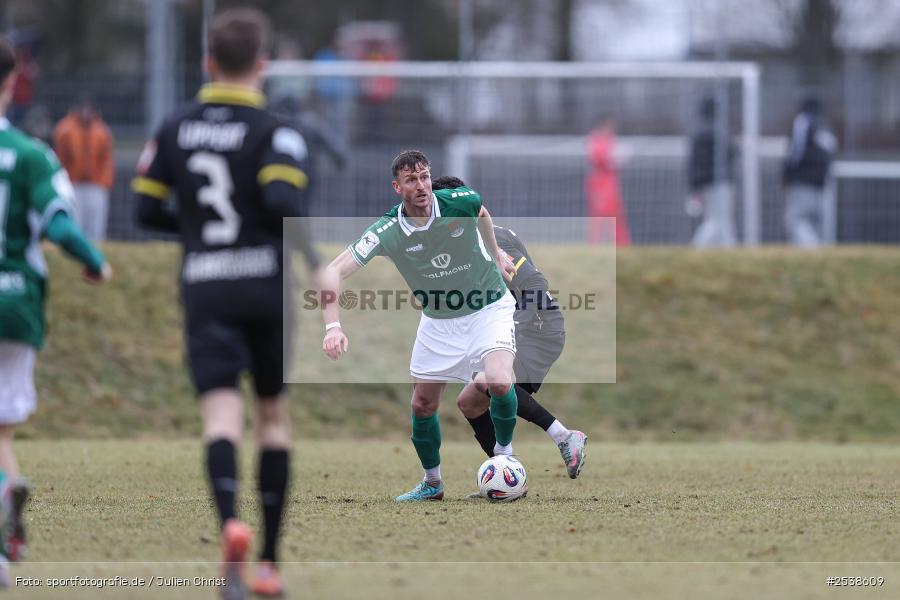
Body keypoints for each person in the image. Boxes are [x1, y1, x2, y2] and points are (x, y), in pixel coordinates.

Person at [132, 9, 329, 598]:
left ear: (207, 64)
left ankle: (230, 534)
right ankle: (267, 564)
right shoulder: (276, 129)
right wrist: (314, 260)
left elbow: (145, 209)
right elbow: (278, 200)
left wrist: (194, 230)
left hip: (207, 285)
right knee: (272, 419)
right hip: (264, 285)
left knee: (221, 417)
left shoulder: (174, 126)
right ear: (262, 66)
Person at [321, 150, 519, 502]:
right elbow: (332, 271)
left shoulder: (458, 201)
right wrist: (332, 327)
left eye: (425, 176)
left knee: (501, 380)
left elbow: (482, 211)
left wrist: (497, 254)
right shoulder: (387, 229)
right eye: (411, 180)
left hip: (488, 305)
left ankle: (505, 460)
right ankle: (432, 484)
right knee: (422, 405)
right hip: (438, 319)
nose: (422, 185)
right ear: (397, 187)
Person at [0, 37, 111, 580]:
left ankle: (3, 499)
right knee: (0, 432)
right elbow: (59, 224)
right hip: (18, 302)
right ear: (10, 83)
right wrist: (93, 259)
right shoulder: (31, 154)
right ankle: (4, 533)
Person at [431, 177, 587, 482]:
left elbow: (535, 285)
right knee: (469, 402)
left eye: (441, 207)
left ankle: (564, 436)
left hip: (540, 328)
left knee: (491, 379)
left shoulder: (491, 239)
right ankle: (507, 473)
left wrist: (511, 329)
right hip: (513, 325)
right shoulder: (457, 241)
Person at [53, 96, 115, 241]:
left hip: (95, 185)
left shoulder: (102, 131)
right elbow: (60, 158)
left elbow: (106, 160)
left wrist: (104, 183)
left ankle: (96, 258)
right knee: (75, 223)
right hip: (73, 184)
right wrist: (63, 183)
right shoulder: (65, 130)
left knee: (96, 227)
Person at [783, 97, 837, 248]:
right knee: (815, 224)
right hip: (822, 183)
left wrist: (787, 175)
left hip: (803, 180)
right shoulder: (824, 125)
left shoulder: (803, 121)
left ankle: (811, 251)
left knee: (795, 219)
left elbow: (795, 153)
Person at [687, 96, 738, 247]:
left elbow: (693, 162)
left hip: (703, 183)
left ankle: (728, 251)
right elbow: (732, 151)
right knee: (718, 220)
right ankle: (697, 250)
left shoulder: (698, 130)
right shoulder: (719, 130)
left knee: (718, 220)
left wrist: (694, 186)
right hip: (720, 182)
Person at [586, 114, 630, 245]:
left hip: (609, 189)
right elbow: (604, 158)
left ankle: (621, 246)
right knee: (601, 221)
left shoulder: (607, 141)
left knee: (615, 220)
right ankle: (597, 246)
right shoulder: (596, 142)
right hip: (601, 190)